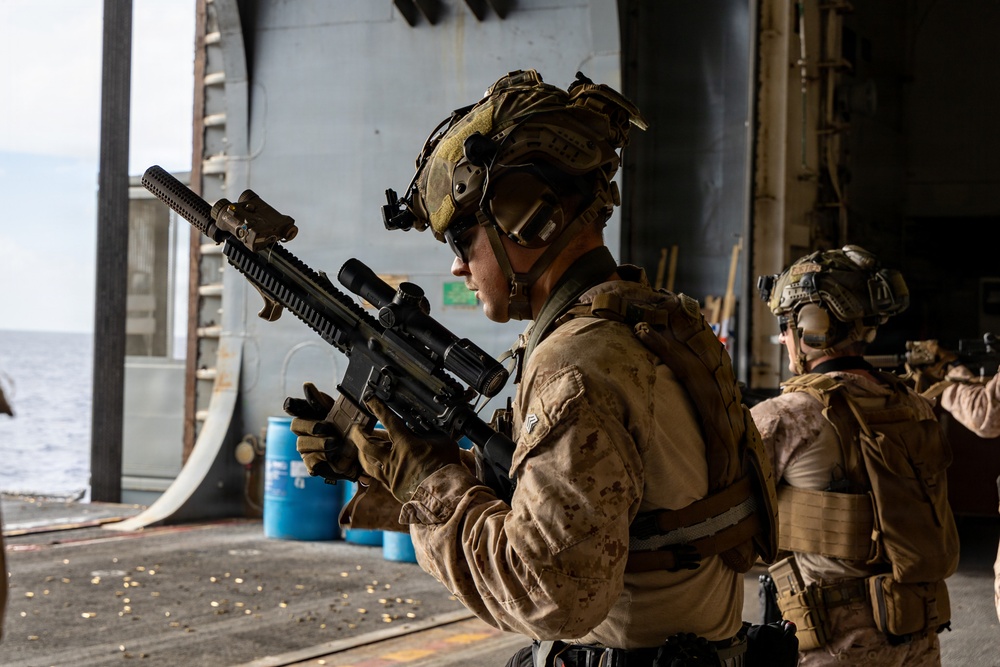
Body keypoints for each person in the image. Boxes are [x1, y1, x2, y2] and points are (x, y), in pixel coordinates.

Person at [285, 70, 788, 667]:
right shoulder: (645, 322)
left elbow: (549, 589)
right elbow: (570, 498)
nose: (457, 269)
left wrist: (427, 483)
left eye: (462, 240)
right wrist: (380, 466)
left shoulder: (579, 366)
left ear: (524, 219)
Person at [751, 246, 958, 666]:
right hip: (916, 639)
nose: (782, 337)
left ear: (812, 325)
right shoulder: (912, 404)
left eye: (786, 325)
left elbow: (724, 516)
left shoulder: (789, 415)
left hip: (837, 649)